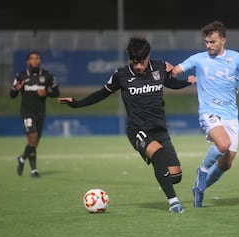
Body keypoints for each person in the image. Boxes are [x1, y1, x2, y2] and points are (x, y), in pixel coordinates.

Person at [58, 37, 195, 213]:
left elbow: (171, 83)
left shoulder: (160, 68)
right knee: (158, 154)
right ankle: (174, 202)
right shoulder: (121, 75)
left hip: (160, 129)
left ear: (148, 56)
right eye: (135, 62)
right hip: (137, 129)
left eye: (142, 62)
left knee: (175, 175)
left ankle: (159, 168)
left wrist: (188, 82)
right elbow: (101, 94)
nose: (138, 66)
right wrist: (76, 103)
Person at [171, 20, 239, 207]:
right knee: (223, 143)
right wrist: (169, 71)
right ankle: (202, 170)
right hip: (209, 112)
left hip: (230, 116)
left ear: (223, 40)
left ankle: (199, 189)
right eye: (207, 42)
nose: (209, 45)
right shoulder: (198, 59)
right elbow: (176, 71)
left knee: (227, 163)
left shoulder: (236, 58)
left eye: (213, 42)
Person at [10, 50, 60, 178]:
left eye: (36, 58)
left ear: (40, 60)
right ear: (28, 61)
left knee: (34, 142)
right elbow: (12, 94)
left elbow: (56, 93)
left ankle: (22, 158)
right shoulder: (20, 76)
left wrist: (47, 93)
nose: (34, 61)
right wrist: (17, 89)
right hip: (27, 112)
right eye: (32, 58)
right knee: (32, 137)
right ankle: (34, 171)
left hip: (40, 113)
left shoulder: (47, 76)